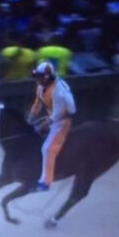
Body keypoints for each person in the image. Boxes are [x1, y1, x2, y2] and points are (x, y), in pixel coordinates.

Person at [27, 61, 76, 192]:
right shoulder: (40, 86)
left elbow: (57, 115)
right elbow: (37, 104)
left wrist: (42, 125)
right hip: (51, 115)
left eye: (39, 76)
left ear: (47, 77)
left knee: (47, 148)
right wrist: (29, 119)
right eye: (36, 76)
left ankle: (46, 182)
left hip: (62, 120)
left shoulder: (58, 91)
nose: (37, 79)